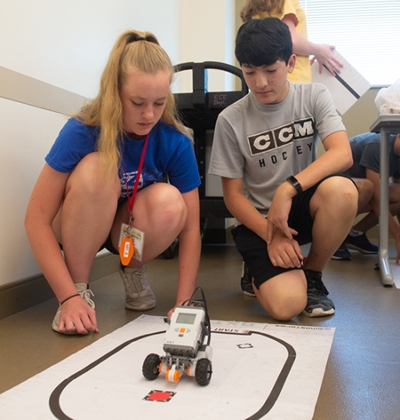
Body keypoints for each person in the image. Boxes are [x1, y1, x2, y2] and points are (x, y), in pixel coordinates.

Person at [24, 30, 202, 335]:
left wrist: (185, 302)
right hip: (76, 223)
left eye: (159, 103)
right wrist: (67, 297)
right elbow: (36, 220)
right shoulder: (81, 130)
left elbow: (190, 228)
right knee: (99, 168)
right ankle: (78, 291)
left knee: (171, 204)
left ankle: (132, 270)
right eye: (137, 102)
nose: (149, 115)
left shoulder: (175, 140)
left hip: (126, 230)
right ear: (115, 92)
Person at [209, 17, 359, 320]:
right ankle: (256, 266)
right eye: (250, 72)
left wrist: (286, 189)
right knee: (287, 306)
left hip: (298, 205)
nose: (260, 83)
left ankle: (313, 275)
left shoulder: (314, 96)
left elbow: (342, 153)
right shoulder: (230, 119)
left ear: (290, 63)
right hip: (259, 221)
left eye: (270, 71)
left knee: (343, 190)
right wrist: (271, 234)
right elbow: (233, 197)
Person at [333, 132, 400, 261]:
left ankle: (355, 235)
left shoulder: (398, 156)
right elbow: (376, 199)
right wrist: (397, 234)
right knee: (368, 187)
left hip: (361, 192)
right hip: (336, 191)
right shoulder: (377, 145)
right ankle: (334, 237)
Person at [240, 0, 343, 83]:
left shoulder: (260, 3)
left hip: (276, 76)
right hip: (293, 77)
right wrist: (319, 50)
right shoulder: (283, 2)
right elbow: (290, 40)